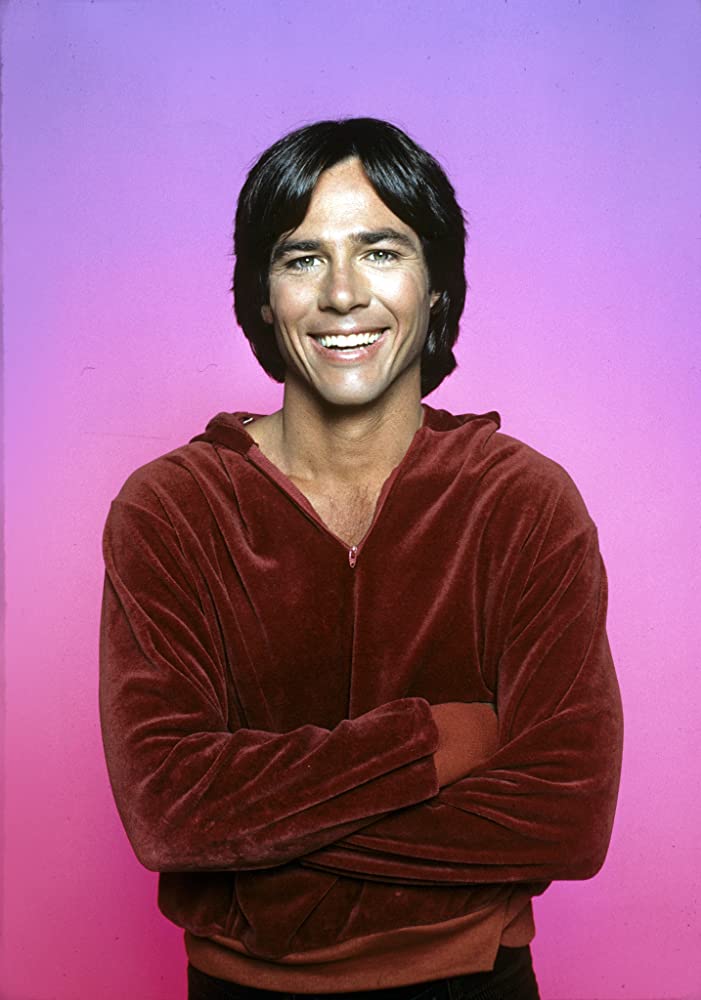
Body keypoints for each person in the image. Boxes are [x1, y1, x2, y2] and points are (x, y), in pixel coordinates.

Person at [99, 118, 623, 1000]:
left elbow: (567, 814)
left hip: (475, 984)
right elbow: (170, 811)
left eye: (380, 251)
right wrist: (442, 741)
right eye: (303, 258)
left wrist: (260, 845)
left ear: (436, 285)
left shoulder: (522, 501)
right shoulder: (172, 508)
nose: (342, 294)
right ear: (263, 296)